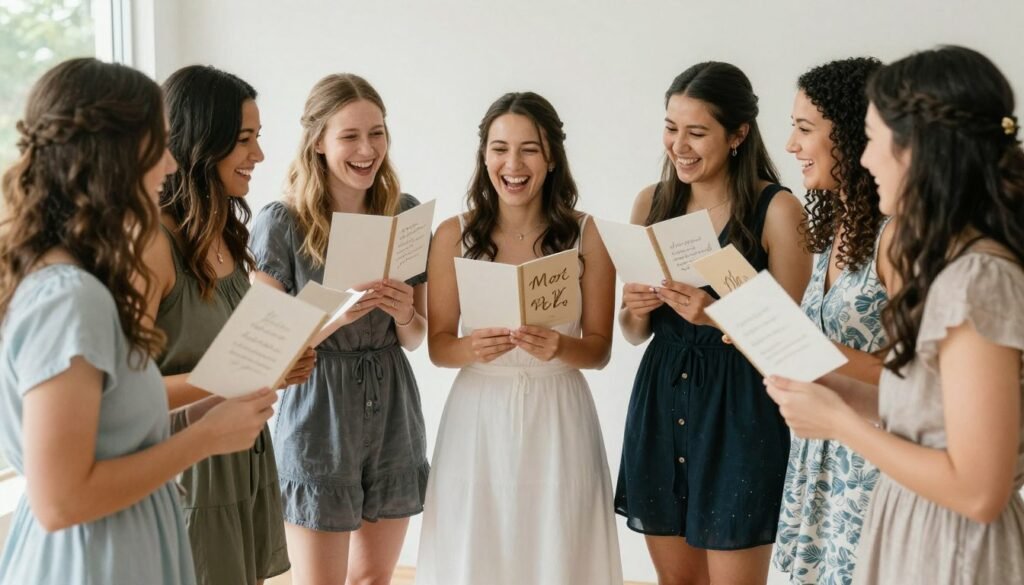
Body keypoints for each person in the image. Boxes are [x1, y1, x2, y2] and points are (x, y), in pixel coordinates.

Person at [0, 57, 274, 585]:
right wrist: (205, 438)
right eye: (160, 145)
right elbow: (62, 500)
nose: (172, 165)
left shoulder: (78, 279)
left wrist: (205, 414)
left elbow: (110, 429)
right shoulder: (69, 298)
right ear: (114, 155)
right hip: (94, 563)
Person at [766, 45, 1024, 585]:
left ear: (919, 150)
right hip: (916, 530)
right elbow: (933, 412)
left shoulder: (979, 281)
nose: (864, 159)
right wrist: (835, 394)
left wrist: (839, 424)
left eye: (875, 141)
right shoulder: (952, 266)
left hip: (951, 550)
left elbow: (978, 490)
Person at [614, 62, 811, 585]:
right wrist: (634, 310)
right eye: (671, 127)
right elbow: (634, 334)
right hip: (661, 400)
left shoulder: (778, 211)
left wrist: (716, 314)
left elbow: (792, 350)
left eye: (697, 132)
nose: (679, 145)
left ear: (738, 134)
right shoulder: (651, 204)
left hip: (740, 410)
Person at [416, 91, 623, 585]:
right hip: (479, 414)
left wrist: (560, 347)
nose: (513, 163)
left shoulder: (587, 234)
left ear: (551, 157)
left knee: (558, 546)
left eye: (529, 149)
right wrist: (472, 348)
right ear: (484, 155)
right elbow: (439, 346)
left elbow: (600, 349)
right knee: (479, 547)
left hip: (559, 410)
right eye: (499, 147)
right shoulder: (453, 235)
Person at [249, 73, 428, 585]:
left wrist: (404, 313)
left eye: (377, 132)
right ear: (318, 142)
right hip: (317, 414)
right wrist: (333, 317)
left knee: (374, 578)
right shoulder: (281, 222)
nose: (367, 149)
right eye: (350, 136)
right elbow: (262, 347)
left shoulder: (404, 213)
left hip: (393, 407)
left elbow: (417, 339)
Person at [142, 64, 314, 585]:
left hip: (243, 459)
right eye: (244, 140)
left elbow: (227, 358)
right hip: (190, 474)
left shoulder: (225, 235)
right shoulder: (153, 247)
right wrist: (236, 377)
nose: (258, 155)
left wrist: (271, 367)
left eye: (257, 138)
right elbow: (123, 394)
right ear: (200, 143)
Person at [773, 57, 894, 585]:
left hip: (870, 467)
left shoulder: (896, 237)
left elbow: (922, 378)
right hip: (817, 460)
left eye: (804, 129)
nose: (791, 146)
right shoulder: (832, 230)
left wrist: (811, 348)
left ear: (849, 135)